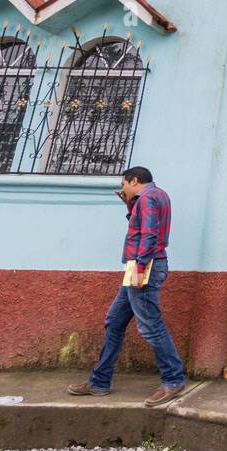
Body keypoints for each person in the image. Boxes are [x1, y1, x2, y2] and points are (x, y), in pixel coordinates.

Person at [68, 166, 186, 407]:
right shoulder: (157, 195)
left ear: (134, 180)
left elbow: (149, 234)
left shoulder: (147, 198)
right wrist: (129, 205)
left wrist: (140, 266)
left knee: (150, 326)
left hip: (145, 267)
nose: (122, 189)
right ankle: (99, 381)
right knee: (114, 321)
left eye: (124, 184)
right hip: (142, 266)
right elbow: (142, 226)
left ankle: (173, 379)